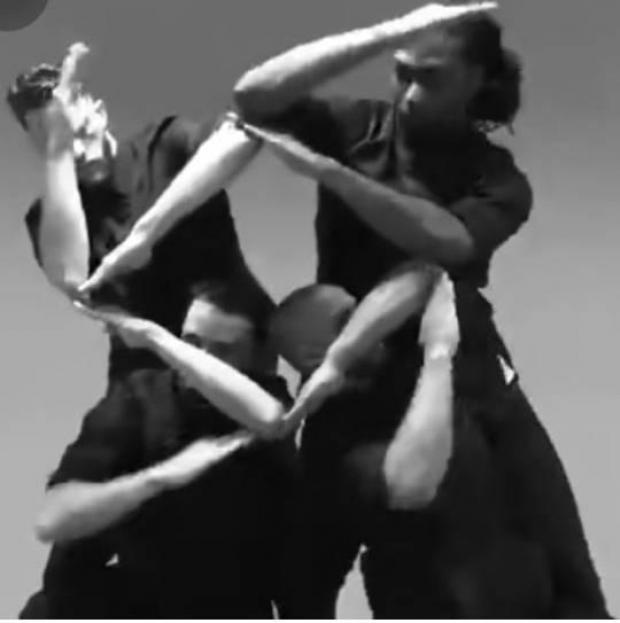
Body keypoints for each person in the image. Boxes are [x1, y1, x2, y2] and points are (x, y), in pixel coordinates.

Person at [232, 4, 609, 617]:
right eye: (400, 71)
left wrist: (331, 174)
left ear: (477, 79)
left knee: (565, 575)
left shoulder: (498, 178)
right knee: (300, 581)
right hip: (351, 370)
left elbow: (444, 244)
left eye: (429, 77)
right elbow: (253, 96)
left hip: (461, 371)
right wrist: (388, 32)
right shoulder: (356, 125)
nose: (408, 94)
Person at [7, 43, 269, 618]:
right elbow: (72, 277)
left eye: (66, 108)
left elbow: (247, 136)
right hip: (142, 383)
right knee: (65, 575)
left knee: (230, 547)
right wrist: (57, 151)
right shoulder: (51, 211)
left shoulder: (165, 144)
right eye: (42, 126)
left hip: (230, 366)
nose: (59, 126)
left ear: (96, 107)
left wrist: (149, 229)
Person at [270, 271, 553, 618]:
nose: (371, 323)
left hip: (523, 595)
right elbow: (309, 573)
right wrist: (437, 358)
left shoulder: (411, 359)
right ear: (313, 356)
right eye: (348, 321)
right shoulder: (333, 446)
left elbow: (428, 278)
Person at [32, 279, 296, 618]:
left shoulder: (278, 409)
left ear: (261, 360)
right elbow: (53, 520)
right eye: (190, 344)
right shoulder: (140, 397)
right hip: (127, 595)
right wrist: (155, 480)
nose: (198, 362)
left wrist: (152, 336)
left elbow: (270, 417)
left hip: (225, 604)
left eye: (223, 350)